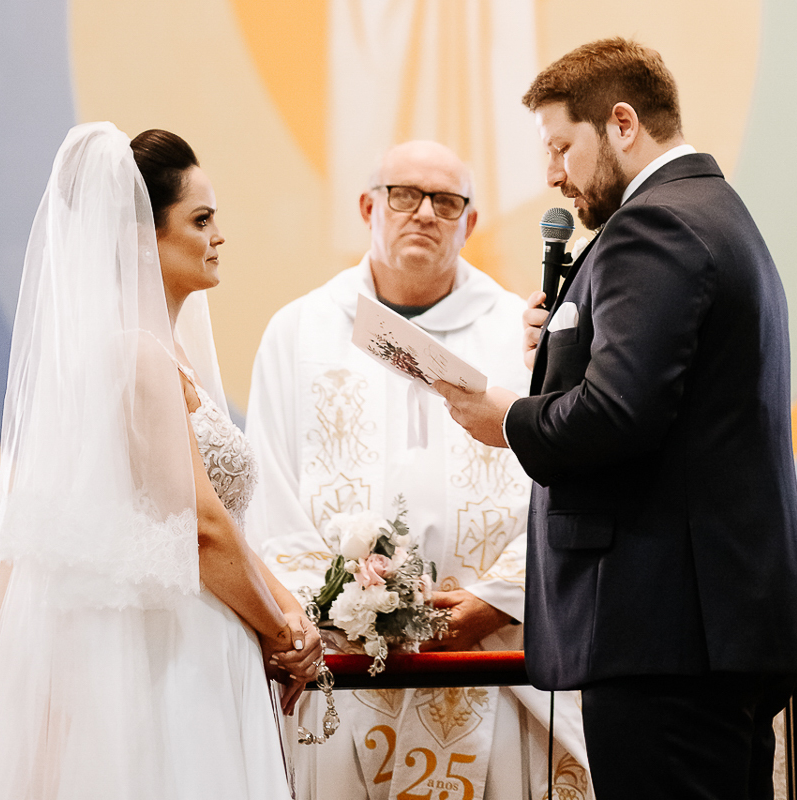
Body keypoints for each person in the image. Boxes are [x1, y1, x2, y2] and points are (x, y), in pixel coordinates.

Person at [436, 39, 797, 800]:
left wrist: (508, 418)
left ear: (621, 123)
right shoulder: (710, 210)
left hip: (665, 635)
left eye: (561, 146)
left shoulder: (657, 227)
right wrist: (560, 350)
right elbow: (664, 398)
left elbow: (617, 414)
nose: (553, 173)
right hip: (707, 628)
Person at [0, 122, 322, 800]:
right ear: (140, 238)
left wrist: (290, 612)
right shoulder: (136, 357)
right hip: (177, 654)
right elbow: (198, 528)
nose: (219, 237)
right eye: (200, 219)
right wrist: (282, 631)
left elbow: (220, 519)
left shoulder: (158, 354)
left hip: (205, 632)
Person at [244, 140, 592, 800]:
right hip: (346, 664)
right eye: (404, 196)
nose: (424, 214)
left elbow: (563, 472)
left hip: (492, 662)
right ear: (368, 206)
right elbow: (271, 493)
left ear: (470, 221)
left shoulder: (521, 334)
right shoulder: (298, 332)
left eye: (446, 201)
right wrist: (341, 606)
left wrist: (498, 600)